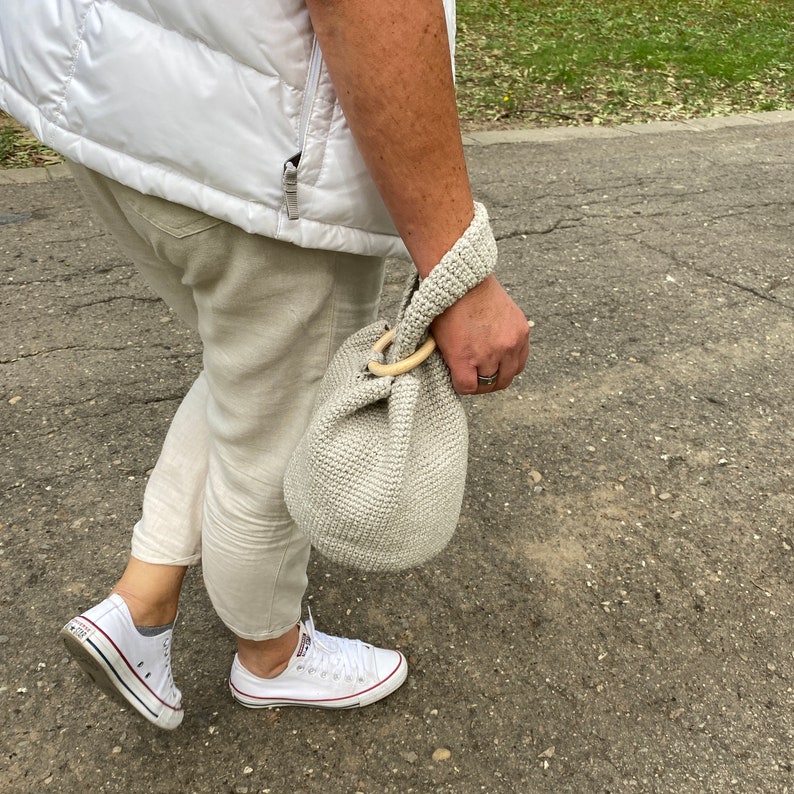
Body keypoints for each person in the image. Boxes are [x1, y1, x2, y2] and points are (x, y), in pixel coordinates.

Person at [0, 0, 529, 729]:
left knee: (255, 365)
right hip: (256, 154)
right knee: (280, 422)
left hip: (109, 93)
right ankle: (271, 655)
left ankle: (142, 601)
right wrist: (456, 267)